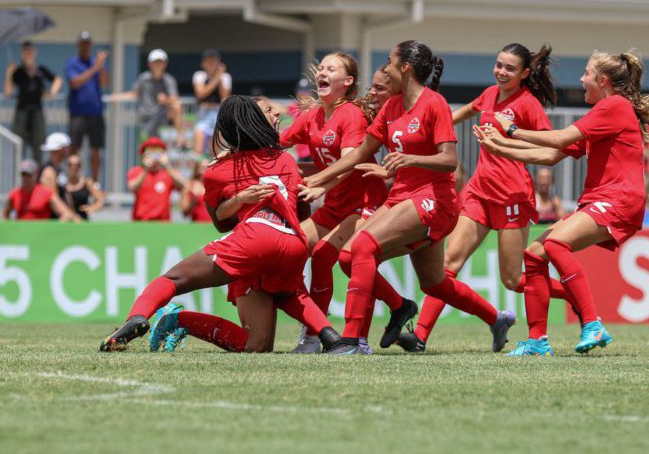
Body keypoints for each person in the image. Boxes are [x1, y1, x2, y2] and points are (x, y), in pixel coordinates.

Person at [100, 95, 346, 354]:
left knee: (173, 279)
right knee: (262, 338)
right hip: (293, 241)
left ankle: (139, 316)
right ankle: (332, 338)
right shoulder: (286, 161)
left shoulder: (218, 169)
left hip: (253, 240)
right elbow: (302, 211)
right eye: (268, 110)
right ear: (253, 120)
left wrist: (237, 200)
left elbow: (220, 223)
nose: (276, 115)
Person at [303, 41, 504, 355]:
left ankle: (354, 340)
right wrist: (320, 178)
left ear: (405, 68)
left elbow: (449, 160)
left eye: (390, 62)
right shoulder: (392, 107)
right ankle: (495, 319)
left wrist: (411, 160)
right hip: (402, 198)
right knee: (429, 282)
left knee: (364, 247)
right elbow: (361, 151)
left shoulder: (433, 103)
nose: (385, 69)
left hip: (434, 201)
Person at [475, 50, 649, 357]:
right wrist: (500, 146)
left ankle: (592, 322)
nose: (581, 79)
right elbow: (550, 156)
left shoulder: (613, 105)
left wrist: (512, 131)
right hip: (604, 200)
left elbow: (559, 139)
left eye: (586, 73)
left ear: (602, 81)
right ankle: (536, 342)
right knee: (534, 256)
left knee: (556, 245)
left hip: (619, 200)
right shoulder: (605, 111)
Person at [397, 43, 561, 353]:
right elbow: (461, 113)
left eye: (510, 68)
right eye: (499, 64)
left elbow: (549, 149)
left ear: (525, 74)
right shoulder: (489, 94)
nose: (501, 71)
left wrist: (508, 143)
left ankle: (575, 298)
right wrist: (435, 126)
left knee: (513, 280)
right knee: (446, 265)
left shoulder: (528, 105)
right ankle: (419, 336)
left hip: (512, 197)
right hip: (478, 193)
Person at [280, 53, 413, 355]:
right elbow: (278, 144)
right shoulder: (312, 116)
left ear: (348, 81)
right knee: (293, 247)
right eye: (321, 68)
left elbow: (349, 164)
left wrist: (319, 186)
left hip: (364, 202)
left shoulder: (351, 114)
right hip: (335, 204)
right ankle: (398, 305)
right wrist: (241, 145)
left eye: (331, 69)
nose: (322, 72)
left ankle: (321, 337)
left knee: (332, 257)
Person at [111, 48, 186, 147]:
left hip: (162, 119)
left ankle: (180, 138)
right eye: (155, 62)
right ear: (150, 64)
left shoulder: (169, 80)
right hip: (145, 120)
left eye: (160, 62)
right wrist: (118, 97)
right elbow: (134, 94)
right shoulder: (143, 78)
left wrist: (166, 100)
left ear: (165, 64)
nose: (158, 65)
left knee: (161, 151)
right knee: (146, 152)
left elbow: (174, 100)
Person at [5, 40, 62, 165]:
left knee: (39, 147)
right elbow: (8, 92)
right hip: (21, 112)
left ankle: (38, 179)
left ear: (34, 53)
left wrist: (52, 92)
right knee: (19, 147)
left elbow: (57, 79)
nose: (28, 55)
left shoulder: (40, 70)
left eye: (30, 52)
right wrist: (9, 73)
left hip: (37, 112)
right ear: (21, 54)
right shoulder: (18, 72)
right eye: (26, 52)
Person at [65, 31, 108, 179]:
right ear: (78, 45)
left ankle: (94, 181)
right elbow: (74, 83)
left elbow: (104, 83)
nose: (85, 46)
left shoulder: (96, 64)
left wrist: (101, 66)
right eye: (83, 43)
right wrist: (94, 69)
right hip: (77, 113)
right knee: (75, 149)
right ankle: (73, 180)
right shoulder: (72, 63)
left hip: (95, 112)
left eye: (87, 44)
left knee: (95, 150)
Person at [2, 159, 79, 222]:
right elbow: (4, 215)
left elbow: (66, 214)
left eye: (29, 175)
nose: (25, 178)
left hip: (40, 237)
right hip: (21, 237)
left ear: (36, 175)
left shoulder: (46, 193)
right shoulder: (14, 194)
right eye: (23, 174)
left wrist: (53, 230)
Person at [128, 137, 185, 222]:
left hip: (163, 223)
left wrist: (166, 166)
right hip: (141, 222)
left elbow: (182, 185)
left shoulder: (168, 173)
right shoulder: (136, 171)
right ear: (143, 155)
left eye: (157, 152)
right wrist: (145, 170)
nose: (154, 156)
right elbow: (132, 188)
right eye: (150, 152)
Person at [192, 48, 232, 156]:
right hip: (203, 114)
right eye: (208, 61)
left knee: (216, 152)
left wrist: (219, 77)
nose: (210, 64)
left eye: (213, 61)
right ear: (203, 63)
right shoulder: (199, 75)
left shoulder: (226, 77)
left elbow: (225, 96)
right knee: (198, 151)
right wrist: (217, 78)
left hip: (217, 114)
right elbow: (201, 94)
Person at [63, 153, 106, 220]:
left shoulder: (87, 182)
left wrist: (92, 208)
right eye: (70, 165)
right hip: (67, 221)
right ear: (67, 167)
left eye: (77, 165)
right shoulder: (62, 184)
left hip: (82, 221)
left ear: (80, 167)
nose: (74, 167)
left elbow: (100, 200)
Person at [39, 132, 71, 202]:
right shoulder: (48, 171)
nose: (68, 150)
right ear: (59, 149)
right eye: (66, 147)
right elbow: (53, 199)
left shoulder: (58, 169)